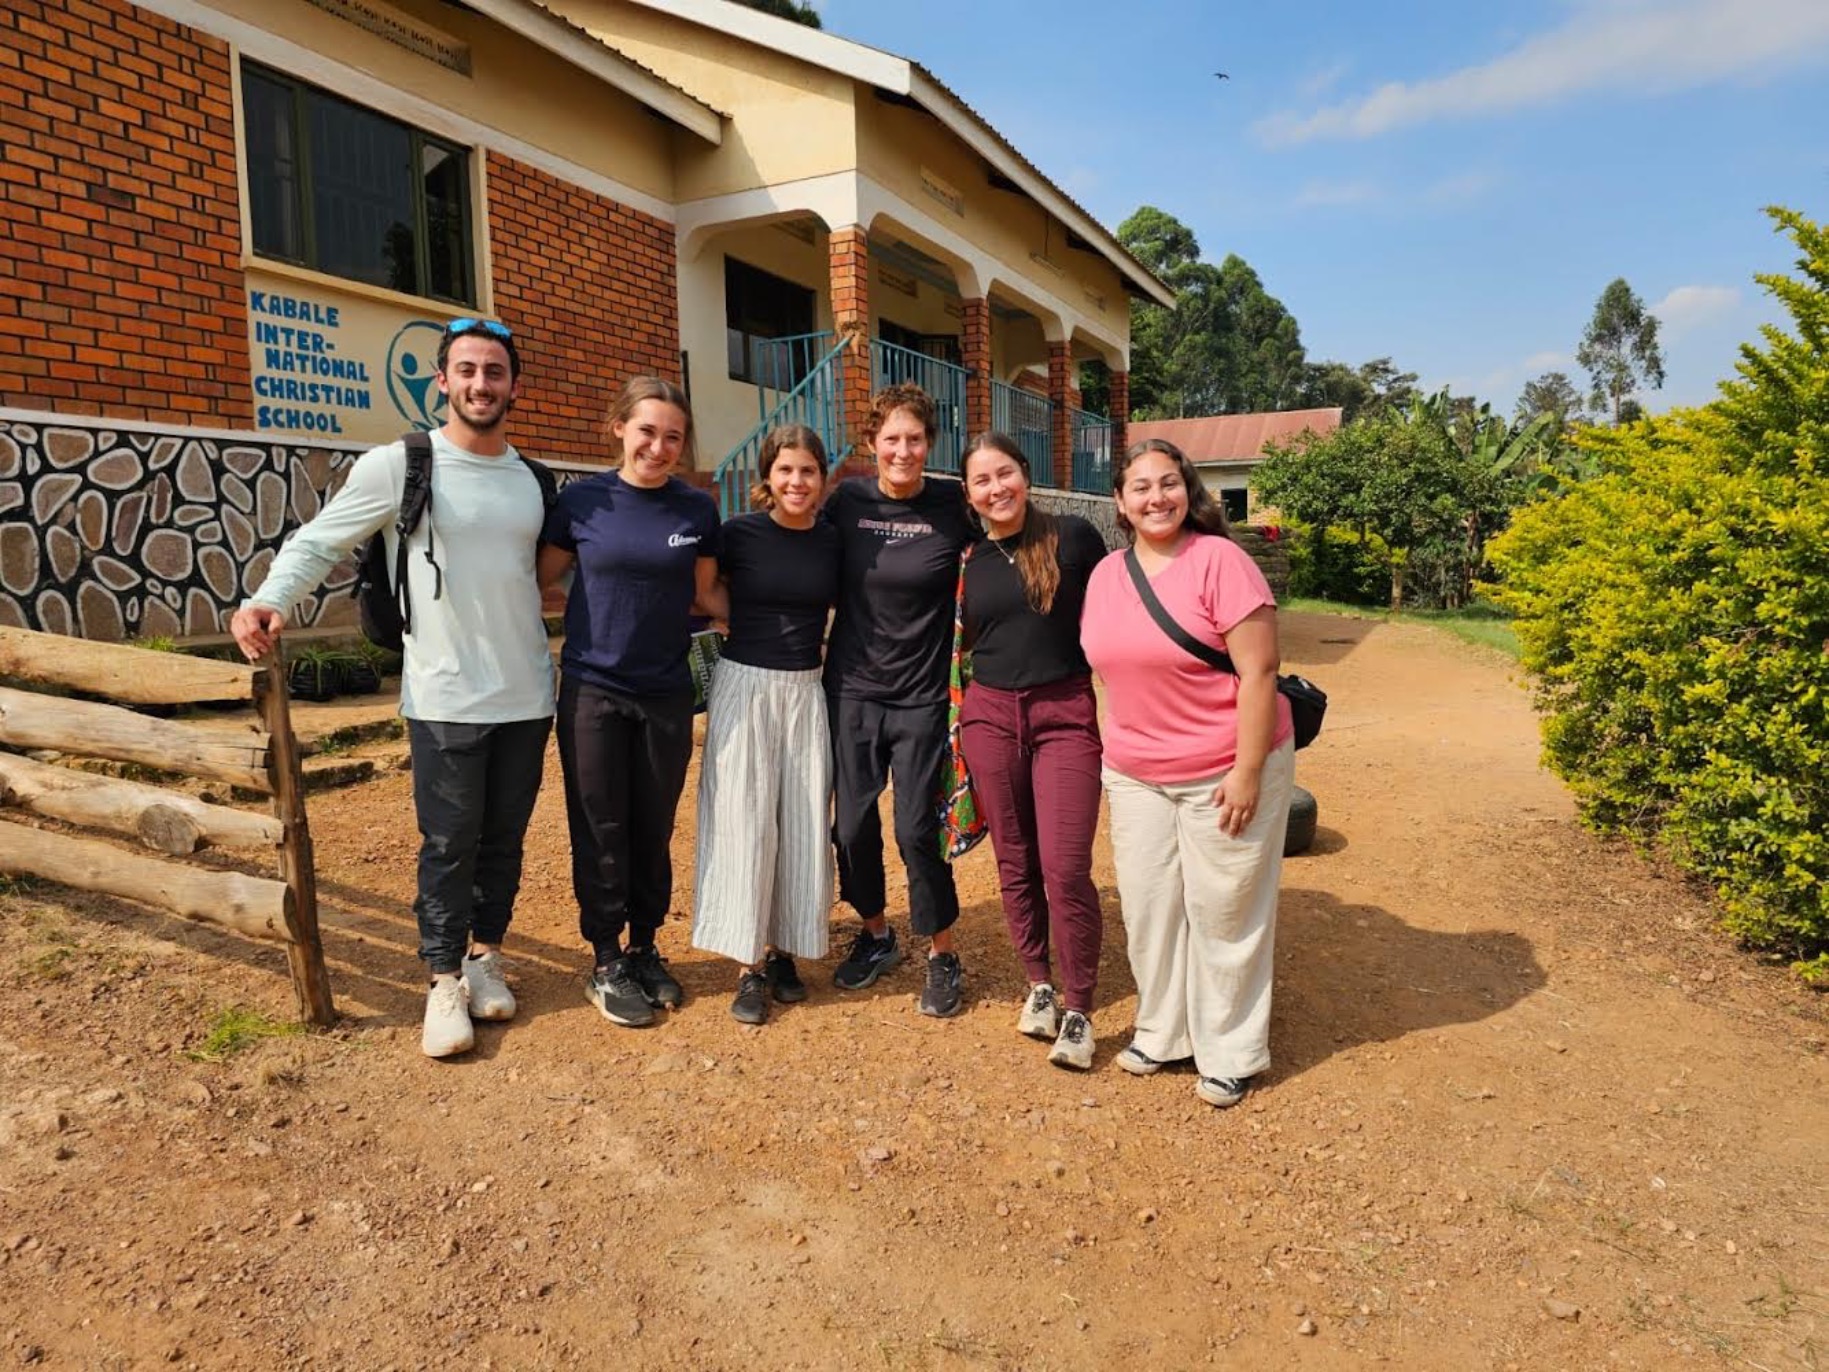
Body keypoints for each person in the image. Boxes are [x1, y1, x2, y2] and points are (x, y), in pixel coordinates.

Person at [231, 319, 555, 1059]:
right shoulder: (401, 464)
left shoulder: (533, 480)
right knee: (448, 843)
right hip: (443, 696)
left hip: (527, 694)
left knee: (502, 841)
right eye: (466, 370)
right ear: (442, 381)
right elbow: (320, 539)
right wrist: (272, 597)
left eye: (495, 371)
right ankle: (442, 980)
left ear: (513, 385)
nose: (481, 384)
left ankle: (484, 957)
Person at [1080, 438, 1296, 1107]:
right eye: (1139, 487)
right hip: (1137, 771)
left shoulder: (1221, 562)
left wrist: (1247, 770)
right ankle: (1162, 1030)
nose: (1155, 498)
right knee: (1148, 907)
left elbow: (1258, 672)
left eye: (1168, 483)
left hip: (1223, 765)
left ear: (1188, 490)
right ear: (1119, 501)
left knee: (1224, 908)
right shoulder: (1107, 574)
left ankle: (1230, 1049)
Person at [537, 377, 720, 1029]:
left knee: (653, 826)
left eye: (673, 436)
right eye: (647, 431)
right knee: (600, 825)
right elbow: (539, 578)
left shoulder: (694, 510)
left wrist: (780, 623)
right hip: (592, 690)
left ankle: (644, 946)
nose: (659, 446)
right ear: (618, 428)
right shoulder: (582, 502)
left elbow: (706, 596)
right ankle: (606, 956)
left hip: (666, 692)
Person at [957, 433, 1109, 1069]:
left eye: (1006, 473)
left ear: (1026, 473)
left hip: (1065, 713)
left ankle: (1079, 1006)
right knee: (1015, 861)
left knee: (1066, 865)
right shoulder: (968, 560)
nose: (997, 489)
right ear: (968, 494)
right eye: (982, 481)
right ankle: (1039, 985)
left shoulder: (1072, 538)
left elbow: (1118, 615)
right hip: (989, 715)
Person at [824, 384, 974, 1016]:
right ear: (872, 444)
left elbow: (999, 551)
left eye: (915, 439)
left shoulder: (952, 505)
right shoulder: (847, 502)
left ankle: (942, 952)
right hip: (852, 689)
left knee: (916, 829)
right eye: (892, 439)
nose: (903, 450)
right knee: (851, 824)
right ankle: (876, 931)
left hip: (920, 697)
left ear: (929, 443)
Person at [691, 425, 842, 1023]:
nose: (796, 482)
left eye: (807, 471)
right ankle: (747, 964)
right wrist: (748, 619)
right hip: (744, 683)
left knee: (801, 819)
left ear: (823, 479)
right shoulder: (739, 534)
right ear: (767, 478)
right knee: (744, 821)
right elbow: (704, 591)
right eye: (785, 471)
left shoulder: (832, 542)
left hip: (807, 690)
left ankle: (784, 951)